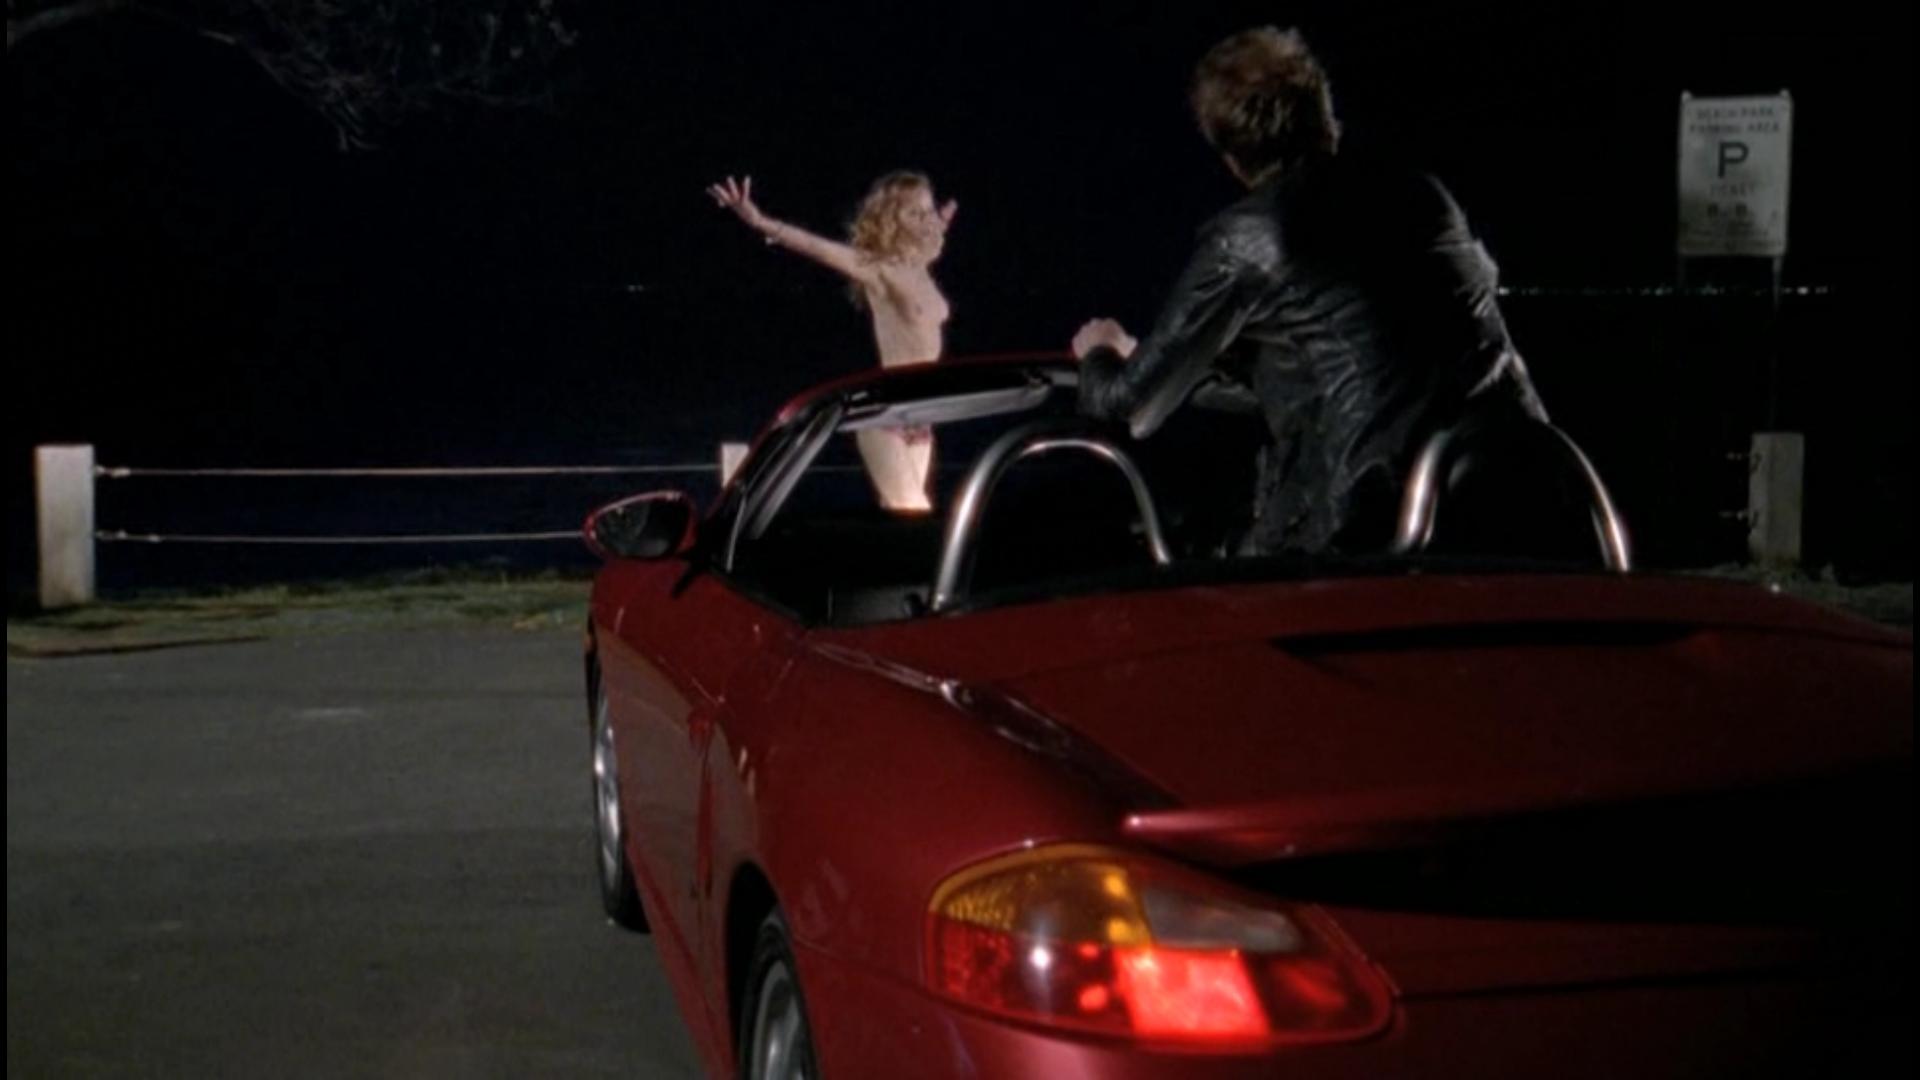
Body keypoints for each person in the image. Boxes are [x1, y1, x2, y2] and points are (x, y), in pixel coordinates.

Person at [1073, 26, 1548, 556]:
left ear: (1231, 155)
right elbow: (1358, 369)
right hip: (1513, 499)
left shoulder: (1250, 236)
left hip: (1369, 536)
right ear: (1323, 113)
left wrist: (1101, 352)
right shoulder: (1422, 194)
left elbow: (1127, 408)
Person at [709, 172, 957, 513]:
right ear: (891, 218)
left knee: (903, 517)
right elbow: (817, 248)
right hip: (886, 414)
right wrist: (760, 221)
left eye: (926, 211)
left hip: (922, 415)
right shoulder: (878, 269)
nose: (923, 219)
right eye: (912, 212)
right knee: (914, 508)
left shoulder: (921, 262)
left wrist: (941, 220)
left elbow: (934, 233)